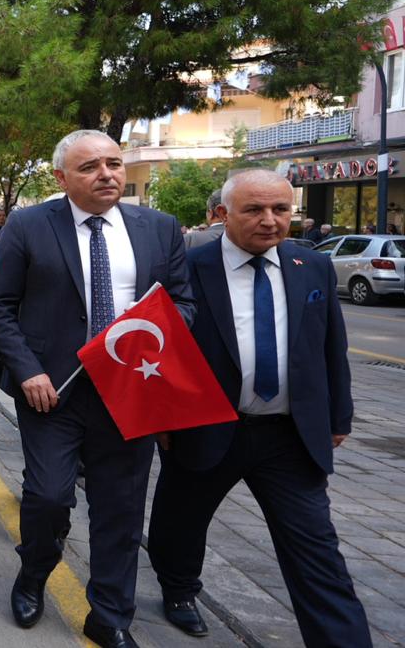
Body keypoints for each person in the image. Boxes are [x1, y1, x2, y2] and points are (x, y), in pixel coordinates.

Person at [0, 129, 193, 648]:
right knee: (48, 497)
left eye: (114, 164)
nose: (107, 175)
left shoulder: (159, 228)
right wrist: (27, 370)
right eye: (90, 167)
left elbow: (183, 304)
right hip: (52, 392)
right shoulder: (29, 225)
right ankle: (35, 571)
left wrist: (151, 330)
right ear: (61, 177)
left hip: (130, 391)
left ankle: (110, 614)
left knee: (120, 508)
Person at [148, 170, 369, 645]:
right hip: (207, 425)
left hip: (289, 436)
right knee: (180, 522)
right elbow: (163, 350)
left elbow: (331, 345)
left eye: (281, 209)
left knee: (317, 551)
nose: (270, 220)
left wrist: (339, 416)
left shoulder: (312, 266)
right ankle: (179, 590)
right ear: (222, 214)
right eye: (254, 210)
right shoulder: (187, 267)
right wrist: (161, 418)